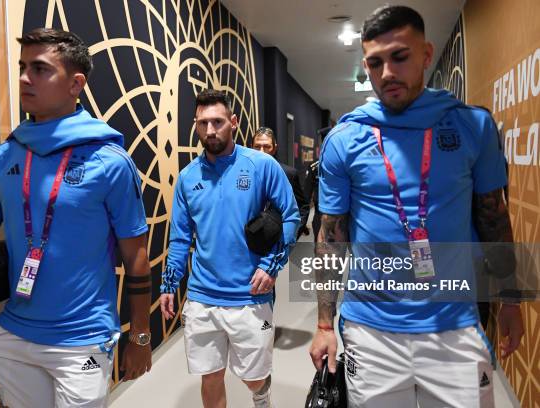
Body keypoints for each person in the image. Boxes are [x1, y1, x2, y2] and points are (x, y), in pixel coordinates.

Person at [309, 6, 524, 408]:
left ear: (426, 55)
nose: (387, 72)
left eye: (399, 57)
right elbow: (330, 238)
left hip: (454, 328)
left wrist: (510, 298)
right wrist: (324, 324)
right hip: (370, 334)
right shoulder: (345, 138)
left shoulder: (472, 126)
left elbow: (494, 218)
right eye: (375, 63)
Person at [0, 28, 152, 407]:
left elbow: (136, 257)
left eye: (39, 68)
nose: (23, 78)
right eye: (22, 67)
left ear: (75, 83)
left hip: (82, 339)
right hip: (13, 334)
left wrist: (141, 338)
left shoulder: (109, 161)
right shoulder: (3, 158)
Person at [160, 89, 299, 408]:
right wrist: (170, 284)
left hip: (249, 295)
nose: (210, 130)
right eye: (202, 123)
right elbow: (180, 238)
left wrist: (271, 266)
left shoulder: (261, 165)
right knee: (210, 374)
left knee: (253, 378)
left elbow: (290, 215)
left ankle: (261, 397)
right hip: (202, 297)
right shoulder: (187, 178)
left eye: (217, 122)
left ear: (233, 122)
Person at [252, 127, 310, 239]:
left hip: (278, 239)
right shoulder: (242, 172)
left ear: (274, 148)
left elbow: (302, 207)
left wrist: (292, 235)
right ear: (251, 147)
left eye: (267, 146)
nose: (262, 151)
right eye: (257, 146)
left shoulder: (289, 174)